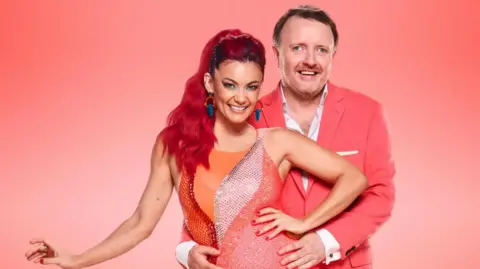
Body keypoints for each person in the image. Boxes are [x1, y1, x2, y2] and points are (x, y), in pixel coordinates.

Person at [24, 29, 368, 269]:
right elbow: (141, 223)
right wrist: (77, 260)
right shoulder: (174, 145)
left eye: (251, 87)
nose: (241, 97)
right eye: (230, 84)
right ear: (209, 83)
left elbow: (353, 178)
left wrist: (304, 222)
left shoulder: (277, 142)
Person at [177, 5, 396, 269]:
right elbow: (211, 195)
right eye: (298, 48)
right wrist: (186, 250)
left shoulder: (367, 112)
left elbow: (380, 195)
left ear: (332, 55)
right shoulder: (243, 113)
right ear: (277, 53)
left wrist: (325, 240)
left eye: (321, 50)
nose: (311, 60)